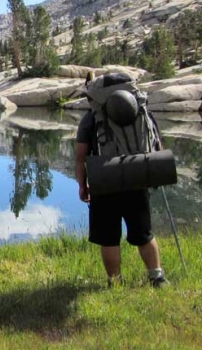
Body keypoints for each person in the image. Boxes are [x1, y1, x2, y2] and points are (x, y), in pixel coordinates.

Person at [74, 74, 169, 288]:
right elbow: (156, 143)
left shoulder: (92, 118)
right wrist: (152, 174)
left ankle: (115, 282)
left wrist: (82, 185)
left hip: (105, 179)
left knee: (109, 237)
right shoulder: (141, 111)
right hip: (136, 175)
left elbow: (80, 156)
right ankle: (157, 277)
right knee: (144, 233)